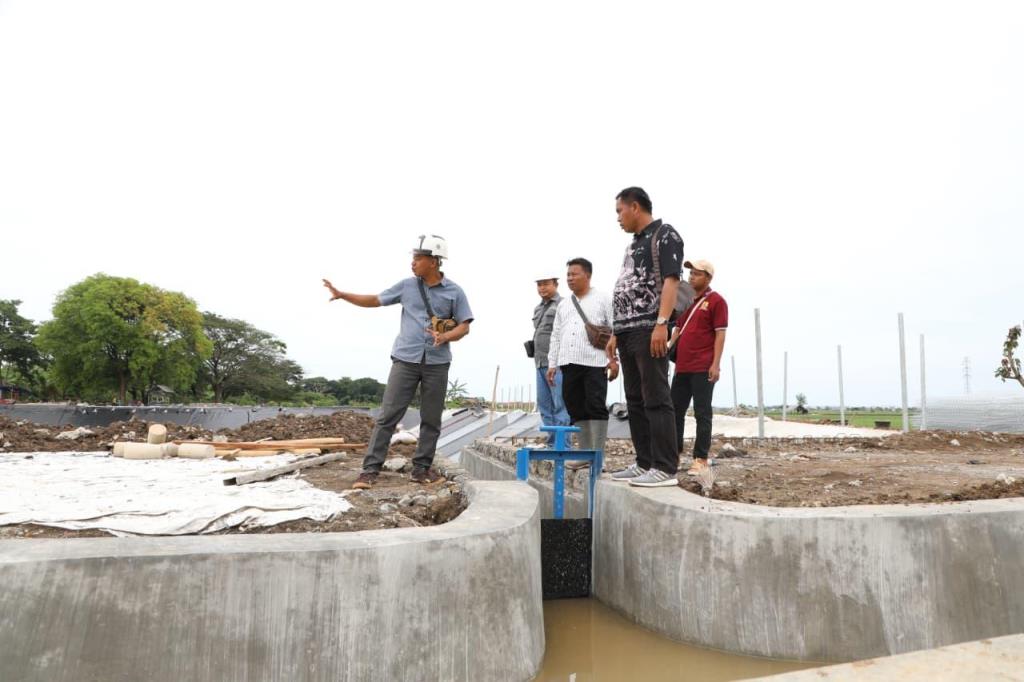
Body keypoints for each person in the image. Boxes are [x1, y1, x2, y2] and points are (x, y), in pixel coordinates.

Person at [322, 235, 474, 489]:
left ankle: (421, 470)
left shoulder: (455, 291)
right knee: (388, 416)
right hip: (405, 359)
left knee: (431, 419)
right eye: (413, 258)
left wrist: (445, 336)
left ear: (434, 261)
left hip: (437, 363)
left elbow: (464, 326)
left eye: (418, 258)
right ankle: (369, 471)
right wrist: (343, 295)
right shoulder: (407, 286)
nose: (413, 263)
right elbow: (375, 300)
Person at [607, 187, 685, 488]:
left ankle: (664, 467)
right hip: (627, 330)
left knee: (656, 396)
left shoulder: (665, 235)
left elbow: (671, 281)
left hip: (649, 328)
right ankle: (644, 462)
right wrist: (616, 332)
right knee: (635, 399)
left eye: (620, 211)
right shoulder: (633, 244)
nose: (618, 218)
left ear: (635, 207)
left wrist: (662, 323)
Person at [546, 258, 618, 455]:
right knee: (575, 407)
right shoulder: (563, 305)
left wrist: (614, 360)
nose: (570, 278)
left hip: (595, 362)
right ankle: (585, 452)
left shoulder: (603, 298)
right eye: (568, 275)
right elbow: (556, 334)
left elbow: (615, 330)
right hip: (568, 362)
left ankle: (598, 454)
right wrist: (552, 364)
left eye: (574, 274)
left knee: (595, 406)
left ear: (588, 275)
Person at [669, 259, 728, 476]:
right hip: (682, 367)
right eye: (691, 273)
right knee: (675, 411)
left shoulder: (716, 301)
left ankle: (700, 458)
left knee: (702, 412)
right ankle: (673, 455)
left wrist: (715, 364)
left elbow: (720, 334)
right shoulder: (687, 302)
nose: (692, 277)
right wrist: (670, 346)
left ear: (708, 278)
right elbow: (677, 328)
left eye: (697, 274)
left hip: (703, 366)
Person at [531, 272, 570, 442]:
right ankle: (552, 442)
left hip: (557, 364)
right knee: (544, 405)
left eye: (546, 284)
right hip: (540, 362)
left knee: (560, 404)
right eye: (539, 284)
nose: (542, 288)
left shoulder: (564, 305)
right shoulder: (538, 308)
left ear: (555, 284)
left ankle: (563, 445)